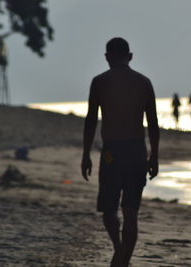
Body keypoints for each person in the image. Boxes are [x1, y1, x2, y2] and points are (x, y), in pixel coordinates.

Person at [81, 37, 159, 267]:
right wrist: (154, 155)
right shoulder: (144, 82)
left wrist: (86, 153)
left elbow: (91, 120)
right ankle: (124, 257)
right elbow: (153, 123)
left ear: (107, 57)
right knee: (131, 210)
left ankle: (119, 248)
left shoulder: (99, 82)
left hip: (112, 152)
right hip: (136, 151)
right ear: (130, 56)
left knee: (109, 209)